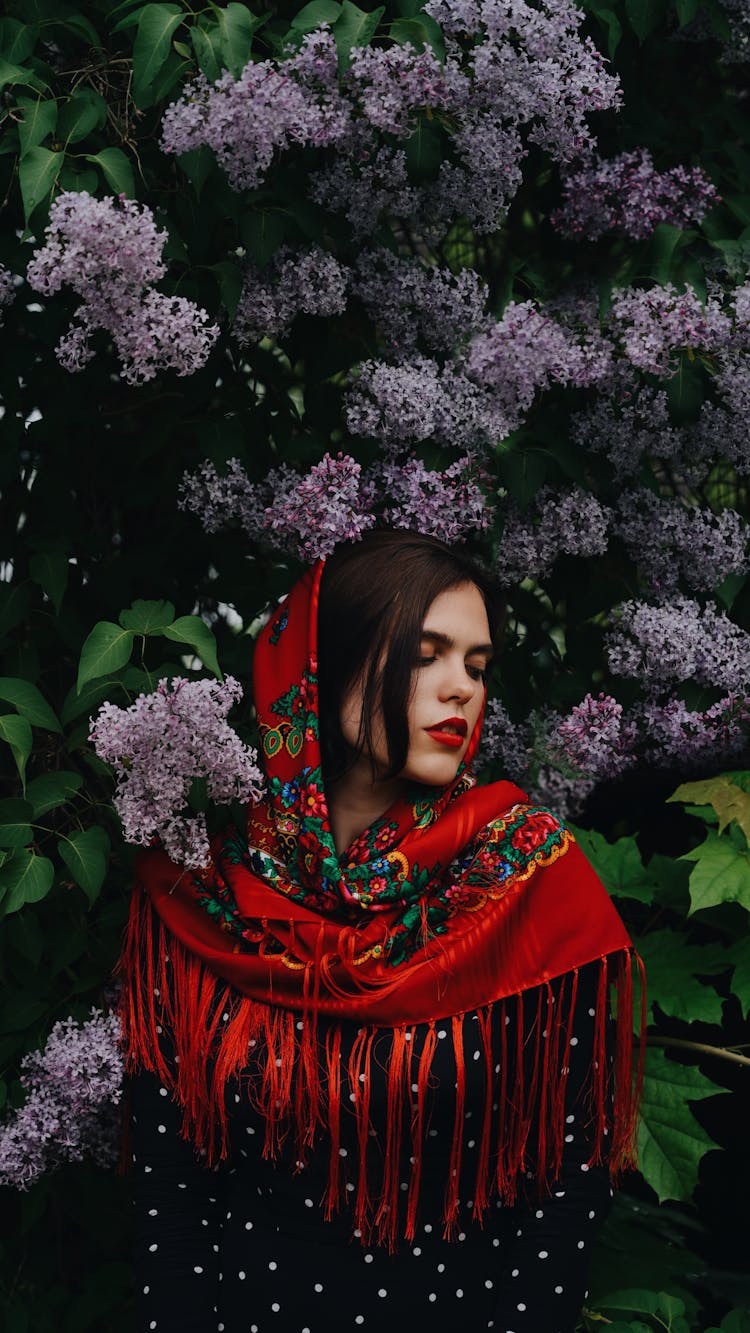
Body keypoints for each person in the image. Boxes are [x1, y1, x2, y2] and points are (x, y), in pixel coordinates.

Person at [119, 530, 643, 1333]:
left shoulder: (524, 874)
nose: (459, 688)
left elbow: (566, 1186)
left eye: (475, 665)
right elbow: (171, 1190)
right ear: (327, 666)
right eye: (426, 653)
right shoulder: (204, 884)